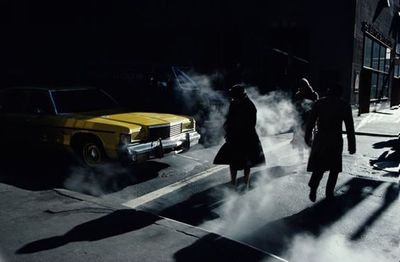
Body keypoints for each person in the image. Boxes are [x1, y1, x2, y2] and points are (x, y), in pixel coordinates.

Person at [305, 83, 356, 202]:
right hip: (335, 140)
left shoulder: (319, 103)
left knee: (319, 166)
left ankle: (313, 186)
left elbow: (310, 123)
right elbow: (350, 127)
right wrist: (351, 145)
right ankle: (329, 193)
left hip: (321, 139)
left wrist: (307, 138)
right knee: (334, 169)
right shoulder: (344, 105)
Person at [214, 84, 265, 189]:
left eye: (234, 96)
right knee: (233, 161)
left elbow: (251, 125)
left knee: (247, 162)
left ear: (240, 96)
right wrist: (227, 131)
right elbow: (229, 119)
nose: (232, 98)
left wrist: (238, 134)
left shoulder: (250, 106)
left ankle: (246, 183)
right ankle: (233, 183)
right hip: (234, 136)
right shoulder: (233, 103)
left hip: (247, 137)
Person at [291, 78, 319, 158]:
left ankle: (310, 155)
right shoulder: (298, 95)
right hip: (300, 118)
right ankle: (301, 156)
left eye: (304, 86)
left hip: (310, 118)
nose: (302, 88)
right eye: (301, 86)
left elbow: (316, 106)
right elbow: (295, 107)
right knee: (299, 137)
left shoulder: (313, 94)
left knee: (309, 137)